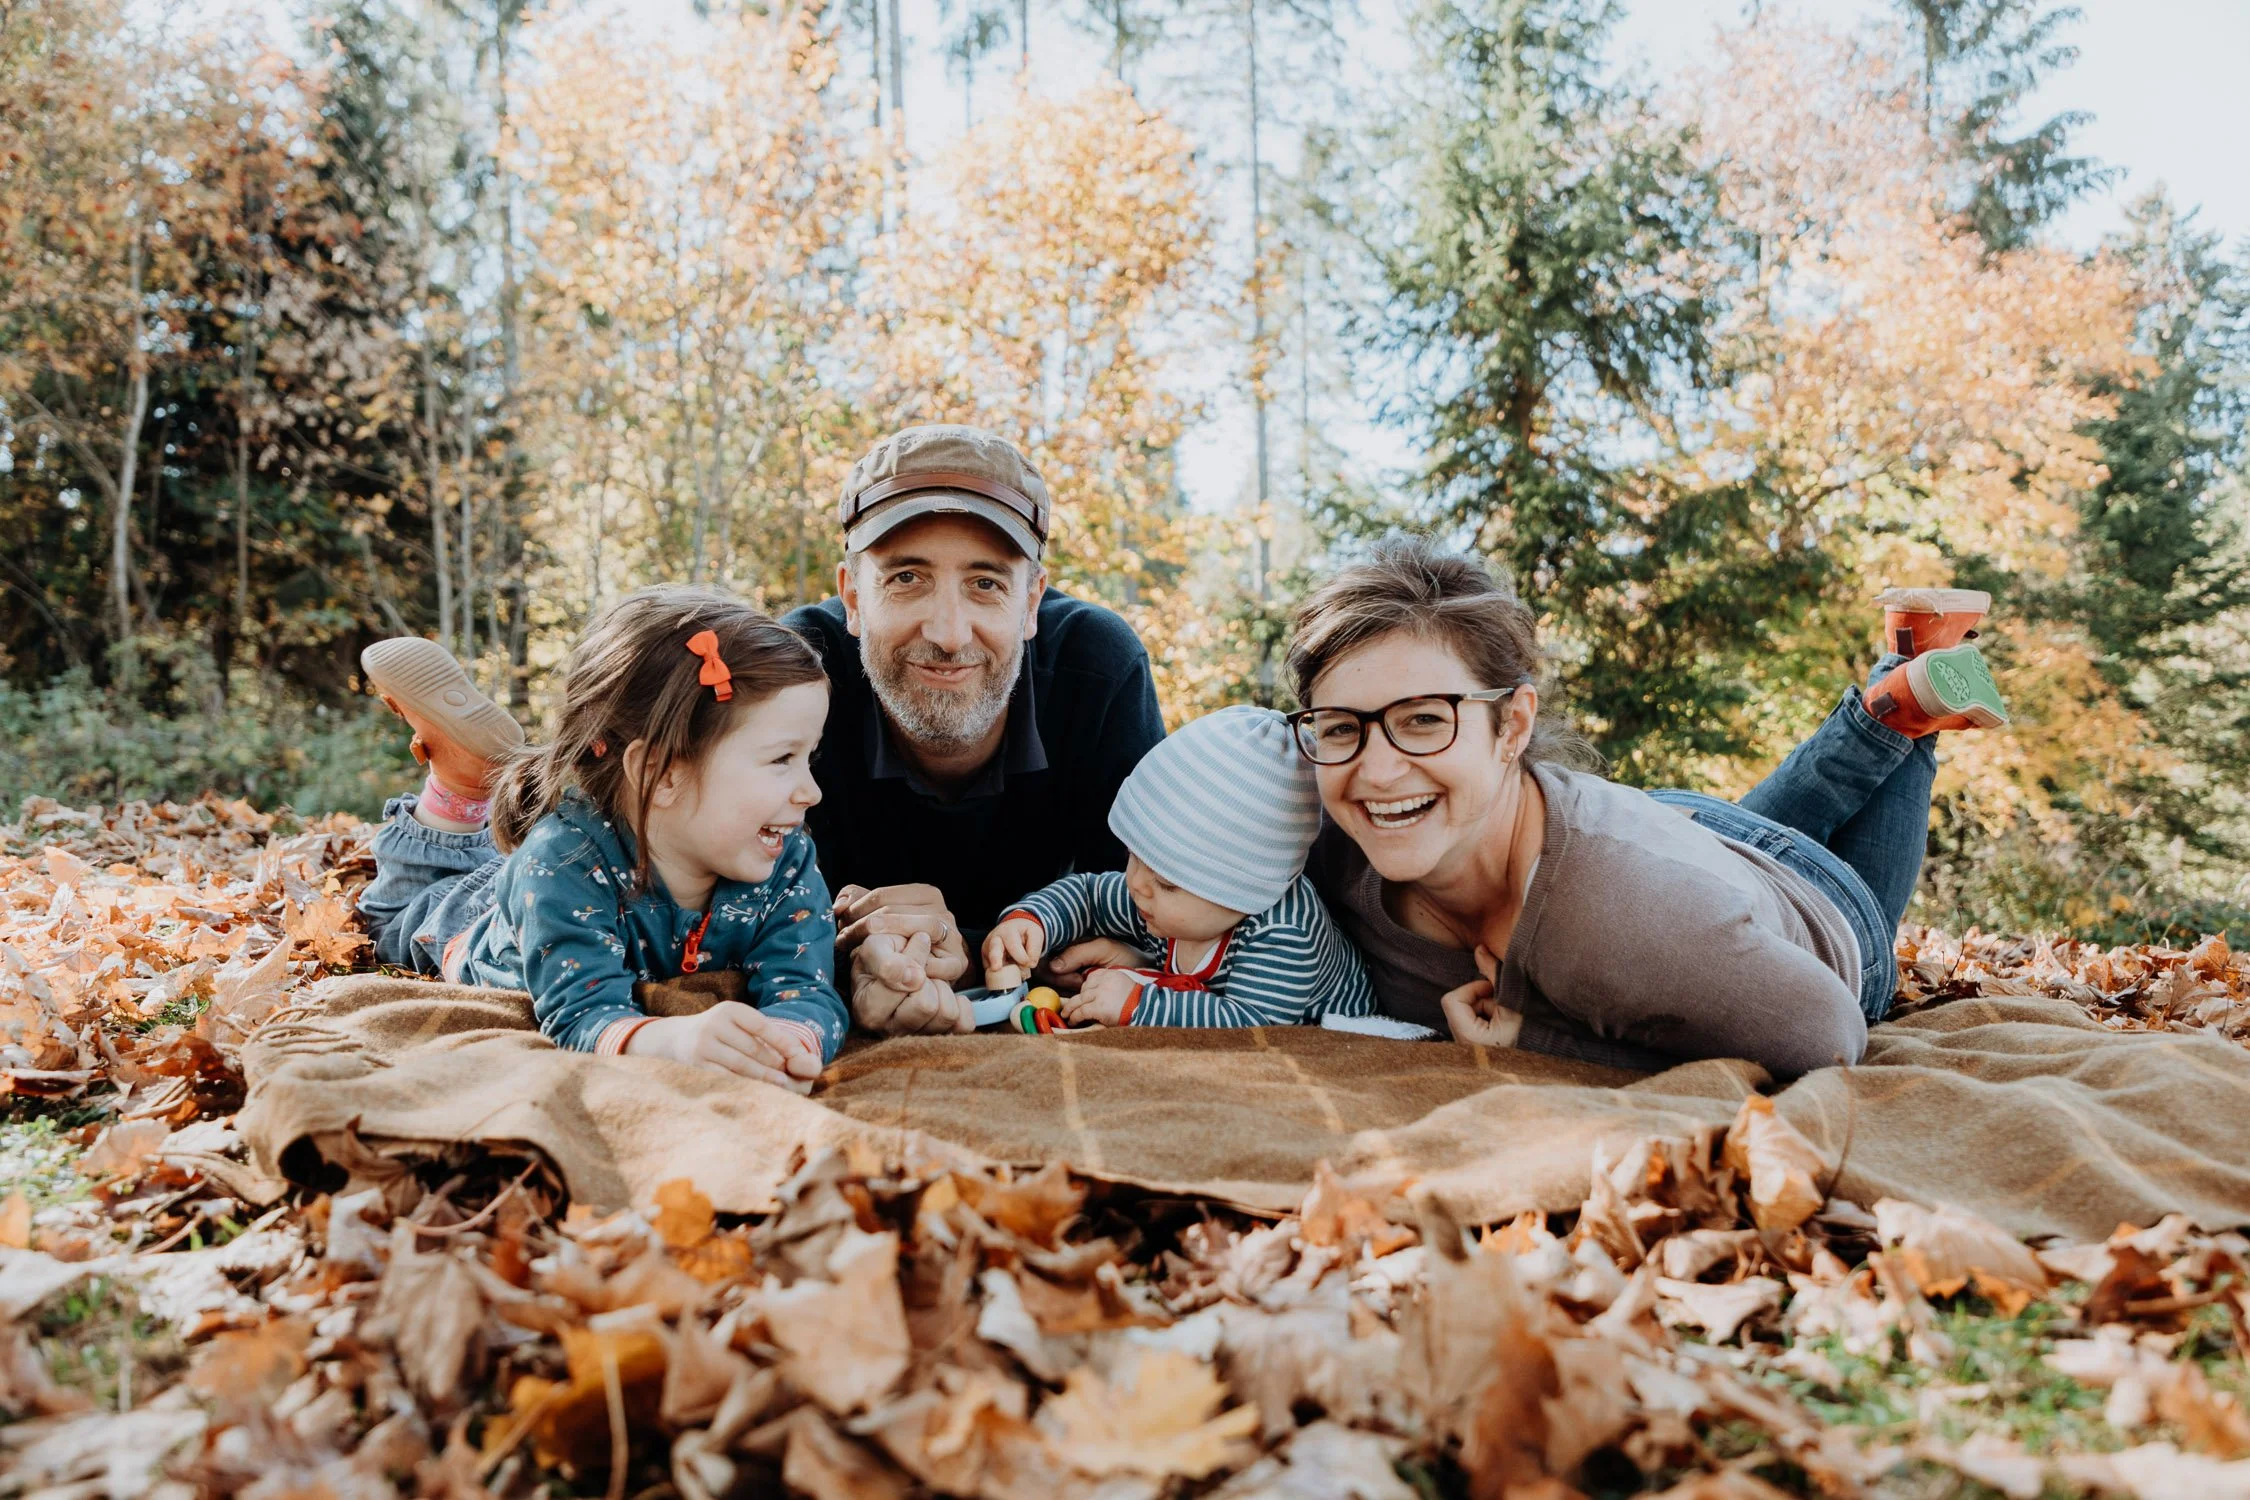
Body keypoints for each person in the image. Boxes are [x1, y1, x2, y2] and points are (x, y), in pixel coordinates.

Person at [1294, 538, 2006, 1078]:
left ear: (1511, 727)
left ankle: (1908, 682)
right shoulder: (1319, 829)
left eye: (1423, 720)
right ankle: (1910, 664)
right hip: (1671, 833)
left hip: (1812, 907)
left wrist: (1536, 1041)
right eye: (1342, 726)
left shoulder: (1620, 930)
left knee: (1912, 735)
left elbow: (1831, 1034)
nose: (1378, 771)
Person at [356, 589, 849, 1093]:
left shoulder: (786, 861)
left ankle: (479, 789)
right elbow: (581, 1016)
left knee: (507, 867)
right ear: (661, 774)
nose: (812, 792)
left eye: (809, 757)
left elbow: (807, 986)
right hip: (479, 918)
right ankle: (456, 791)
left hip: (564, 870)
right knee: (392, 923)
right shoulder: (560, 862)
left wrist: (791, 1042)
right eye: (781, 760)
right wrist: (674, 1042)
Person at [780, 424, 1167, 1036]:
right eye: (907, 577)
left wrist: (967, 947)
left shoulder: (1097, 670)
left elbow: (1148, 908)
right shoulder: (797, 675)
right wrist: (845, 954)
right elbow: (736, 903)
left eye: (985, 584)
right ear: (853, 596)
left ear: (1032, 601)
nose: (949, 633)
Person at [983, 706, 1375, 1028]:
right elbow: (1087, 894)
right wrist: (1031, 921)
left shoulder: (1283, 934)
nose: (1137, 884)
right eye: (1134, 856)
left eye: (1168, 883)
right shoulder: (1155, 895)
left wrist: (1137, 1004)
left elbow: (1253, 1022)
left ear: (1246, 893)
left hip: (1337, 1030)